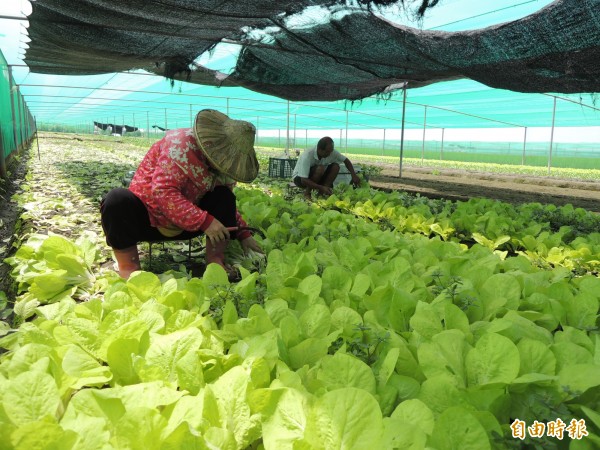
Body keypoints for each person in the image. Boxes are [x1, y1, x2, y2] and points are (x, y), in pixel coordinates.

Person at [100, 109, 263, 279]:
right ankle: (129, 267)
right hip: (148, 218)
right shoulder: (179, 145)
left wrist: (244, 234)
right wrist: (205, 221)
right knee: (116, 200)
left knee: (224, 196)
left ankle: (215, 261)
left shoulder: (225, 166)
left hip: (188, 225)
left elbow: (226, 206)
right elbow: (163, 192)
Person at [291, 136, 361, 199]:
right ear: (319, 149)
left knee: (336, 167)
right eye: (327, 152)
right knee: (320, 168)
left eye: (331, 151)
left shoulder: (331, 152)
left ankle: (322, 193)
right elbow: (304, 180)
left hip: (317, 178)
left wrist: (353, 175)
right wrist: (320, 187)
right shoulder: (307, 155)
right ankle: (307, 193)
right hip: (299, 179)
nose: (330, 154)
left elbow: (346, 160)